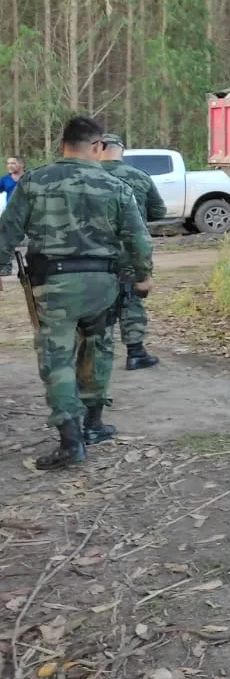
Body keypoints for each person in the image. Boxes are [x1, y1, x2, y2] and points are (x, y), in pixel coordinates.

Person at [0, 117, 154, 470]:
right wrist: (143, 276)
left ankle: (71, 442)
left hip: (52, 286)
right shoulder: (115, 185)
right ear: (98, 146)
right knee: (98, 348)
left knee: (57, 358)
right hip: (103, 284)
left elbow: (7, 230)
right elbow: (138, 238)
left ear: (63, 144)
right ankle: (94, 424)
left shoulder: (35, 181)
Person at [98, 134, 165, 369]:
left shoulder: (87, 177)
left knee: (97, 300)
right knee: (131, 298)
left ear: (98, 148)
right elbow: (159, 211)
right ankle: (135, 352)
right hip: (130, 249)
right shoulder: (139, 177)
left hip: (94, 253)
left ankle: (96, 354)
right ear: (121, 150)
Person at [0, 156, 25, 275]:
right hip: (12, 214)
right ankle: (6, 267)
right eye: (8, 163)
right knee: (6, 240)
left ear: (21, 165)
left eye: (13, 163)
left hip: (30, 212)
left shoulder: (29, 177)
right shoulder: (5, 180)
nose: (10, 165)